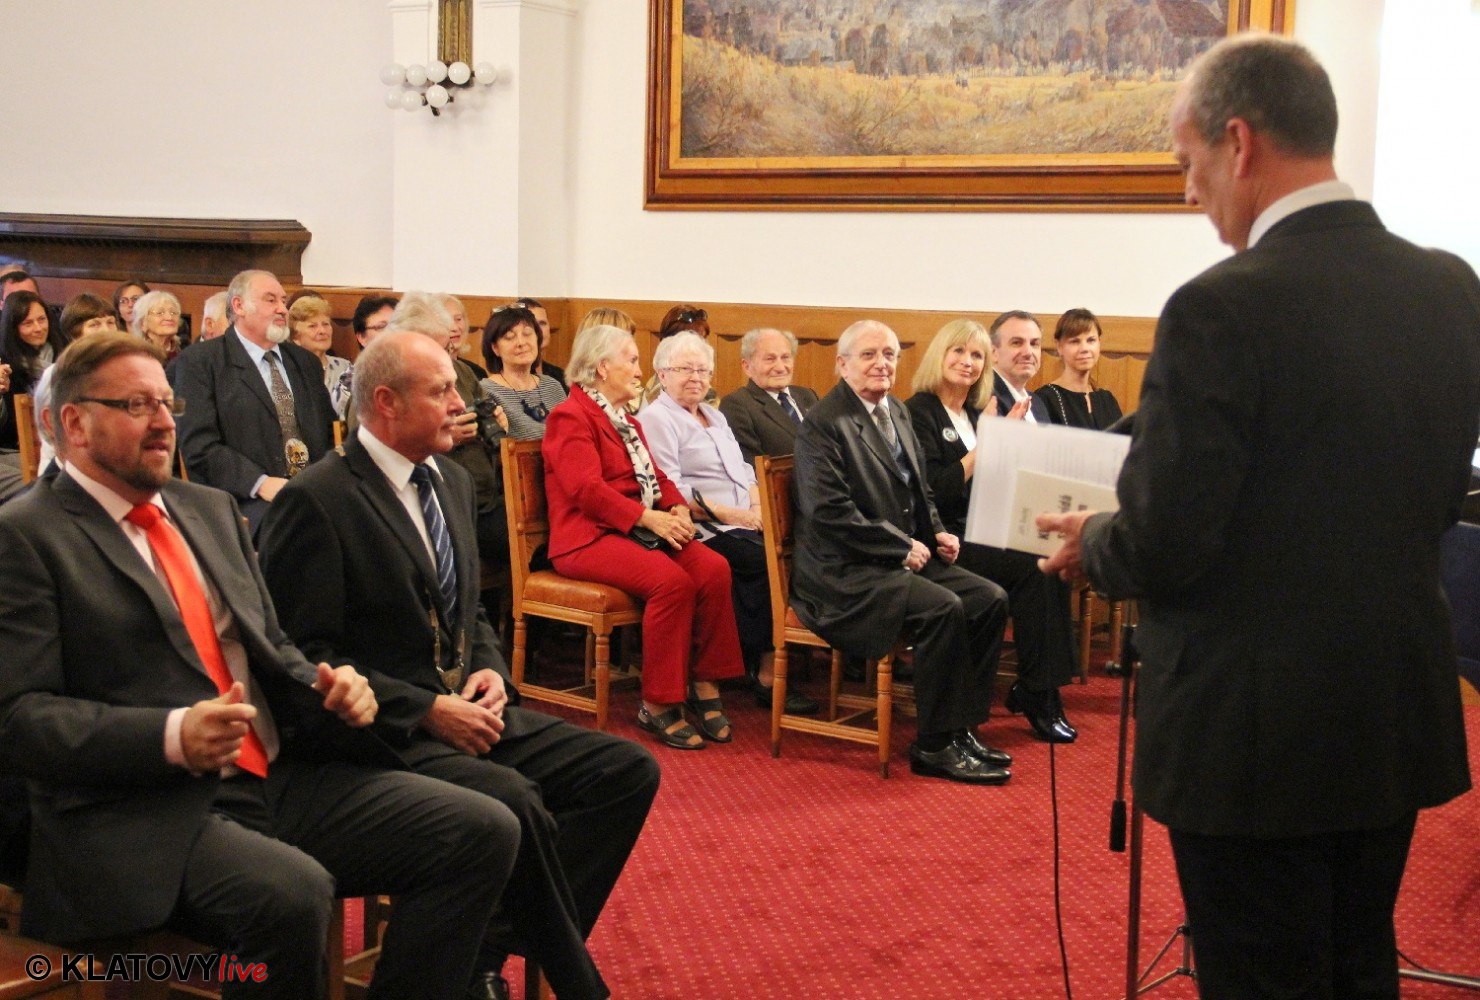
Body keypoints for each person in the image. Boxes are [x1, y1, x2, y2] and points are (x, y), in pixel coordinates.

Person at [1036, 35, 1480, 1000]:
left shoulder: (1220, 308)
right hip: (1388, 702)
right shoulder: (1452, 288)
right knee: (1357, 959)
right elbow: (1442, 494)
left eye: (1187, 163)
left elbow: (1166, 539)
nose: (1189, 192)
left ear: (1238, 142)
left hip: (1253, 731)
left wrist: (1095, 541)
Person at [0, 332, 520, 1000]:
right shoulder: (27, 535)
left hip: (275, 775)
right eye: (136, 405)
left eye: (166, 403)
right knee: (290, 894)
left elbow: (275, 648)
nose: (163, 422)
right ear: (73, 422)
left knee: (483, 828)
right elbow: (19, 720)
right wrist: (171, 735)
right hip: (142, 808)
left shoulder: (207, 510)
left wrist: (329, 688)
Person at [259, 329, 659, 1000]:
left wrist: (491, 670)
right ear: (386, 403)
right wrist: (427, 710)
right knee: (514, 802)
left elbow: (468, 608)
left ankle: (482, 950)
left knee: (625, 772)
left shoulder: (448, 479)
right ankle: (572, 982)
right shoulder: (319, 498)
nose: (458, 404)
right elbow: (301, 659)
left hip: (465, 710)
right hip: (381, 732)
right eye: (441, 391)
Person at [792, 319, 1012, 785]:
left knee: (990, 599)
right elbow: (829, 513)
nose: (882, 364)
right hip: (844, 574)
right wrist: (899, 546)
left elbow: (920, 490)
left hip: (896, 558)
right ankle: (933, 746)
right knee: (944, 608)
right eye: (869, 355)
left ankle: (962, 729)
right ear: (842, 364)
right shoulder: (824, 424)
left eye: (889, 354)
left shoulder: (895, 408)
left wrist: (937, 533)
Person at [544, 323, 745, 750]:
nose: (640, 371)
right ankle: (657, 702)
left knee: (713, 568)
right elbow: (585, 490)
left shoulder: (626, 420)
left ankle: (705, 683)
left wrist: (675, 508)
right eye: (632, 361)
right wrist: (647, 519)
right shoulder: (570, 415)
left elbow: (658, 477)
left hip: (634, 531)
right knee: (671, 583)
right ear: (602, 367)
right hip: (586, 538)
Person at [905, 319, 1077, 742]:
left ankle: (1042, 687)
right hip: (943, 539)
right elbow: (934, 491)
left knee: (1051, 549)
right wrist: (989, 446)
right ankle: (1039, 692)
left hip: (983, 527)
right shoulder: (919, 411)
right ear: (939, 355)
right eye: (959, 351)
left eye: (977, 355)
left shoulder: (974, 412)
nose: (968, 361)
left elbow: (994, 481)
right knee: (1034, 562)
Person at [639, 331, 819, 716]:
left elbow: (744, 471)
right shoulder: (656, 418)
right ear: (662, 374)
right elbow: (670, 489)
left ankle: (771, 658)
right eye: (685, 369)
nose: (696, 377)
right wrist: (739, 517)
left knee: (798, 549)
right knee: (766, 560)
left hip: (743, 519)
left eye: (703, 370)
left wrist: (759, 509)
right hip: (701, 527)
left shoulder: (714, 415)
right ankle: (766, 672)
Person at [174, 269, 336, 534]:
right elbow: (198, 445)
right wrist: (259, 483)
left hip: (312, 492)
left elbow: (331, 432)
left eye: (283, 301)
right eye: (271, 300)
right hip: (244, 500)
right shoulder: (201, 362)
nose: (282, 309)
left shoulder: (304, 361)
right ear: (239, 306)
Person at [719, 326, 819, 464]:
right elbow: (753, 467)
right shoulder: (737, 405)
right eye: (770, 359)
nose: (780, 368)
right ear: (747, 366)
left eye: (785, 357)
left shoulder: (807, 396)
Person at [480, 305, 568, 441]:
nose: (521, 343)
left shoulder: (552, 386)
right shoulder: (487, 391)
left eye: (527, 334)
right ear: (495, 348)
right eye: (509, 337)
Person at [0, 290, 69, 454]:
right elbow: (6, 430)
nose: (38, 328)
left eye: (41, 319)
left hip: (63, 440)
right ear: (13, 329)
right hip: (16, 448)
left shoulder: (65, 352)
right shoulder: (5, 364)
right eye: (28, 323)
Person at [1039, 308, 1124, 430]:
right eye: (1075, 341)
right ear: (1059, 346)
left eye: (1091, 340)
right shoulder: (1045, 399)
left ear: (1099, 343)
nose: (1084, 349)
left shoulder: (1107, 400)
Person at [287, 293, 353, 420]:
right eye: (312, 326)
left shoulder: (345, 368)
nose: (322, 331)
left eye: (326, 324)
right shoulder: (288, 371)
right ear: (296, 337)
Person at [987, 310, 1050, 423]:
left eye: (1034, 344)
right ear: (993, 352)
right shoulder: (984, 399)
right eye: (1017, 343)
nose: (1028, 352)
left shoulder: (1037, 403)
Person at [513, 296, 565, 387]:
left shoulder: (560, 376)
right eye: (532, 324)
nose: (539, 330)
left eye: (542, 323)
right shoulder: (507, 377)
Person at [130, 289, 183, 362]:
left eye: (173, 312)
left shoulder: (186, 352)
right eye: (160, 313)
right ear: (142, 323)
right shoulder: (134, 357)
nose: (169, 317)